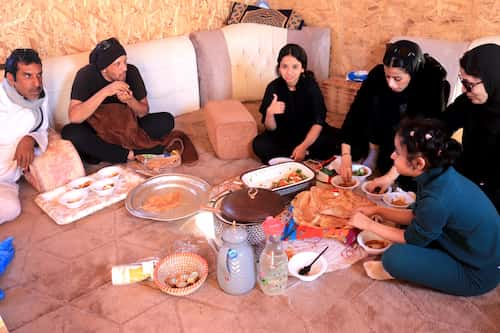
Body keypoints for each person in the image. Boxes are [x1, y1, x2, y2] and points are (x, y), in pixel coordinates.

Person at [349, 118, 500, 296]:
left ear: (419, 163)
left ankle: (403, 268)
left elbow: (411, 238)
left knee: (393, 257)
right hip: (464, 246)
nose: (392, 156)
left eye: (397, 152)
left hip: (477, 273)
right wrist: (377, 210)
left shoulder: (437, 199)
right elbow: (416, 214)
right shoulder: (437, 174)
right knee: (411, 220)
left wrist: (368, 224)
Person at [340, 40, 449, 188]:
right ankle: (373, 152)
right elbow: (356, 112)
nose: (390, 83)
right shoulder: (377, 75)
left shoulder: (430, 82)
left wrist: (392, 174)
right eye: (387, 76)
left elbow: (425, 133)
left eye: (397, 78)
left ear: (412, 73)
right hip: (383, 135)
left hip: (411, 143)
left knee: (407, 182)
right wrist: (346, 156)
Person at [61, 37, 175, 164]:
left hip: (129, 127)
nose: (124, 68)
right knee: (70, 132)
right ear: (104, 68)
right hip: (99, 130)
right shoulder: (86, 75)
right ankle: (130, 154)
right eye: (118, 64)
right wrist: (106, 91)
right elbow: (74, 117)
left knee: (166, 120)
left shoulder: (132, 72)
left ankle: (103, 153)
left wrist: (130, 100)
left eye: (125, 61)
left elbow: (144, 112)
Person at [252, 43, 340, 163]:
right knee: (259, 144)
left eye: (295, 67)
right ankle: (301, 155)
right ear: (279, 68)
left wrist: (303, 146)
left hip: (308, 134)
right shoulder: (273, 87)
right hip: (283, 136)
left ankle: (296, 154)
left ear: (302, 68)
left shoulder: (310, 85)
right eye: (284, 66)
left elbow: (318, 122)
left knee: (338, 141)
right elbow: (270, 128)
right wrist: (269, 113)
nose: (289, 72)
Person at [0, 48, 49, 223]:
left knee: (12, 209)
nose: (37, 83)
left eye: (39, 75)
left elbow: (43, 129)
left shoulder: (40, 98)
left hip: (5, 181)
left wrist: (30, 139)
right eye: (28, 76)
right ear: (11, 79)